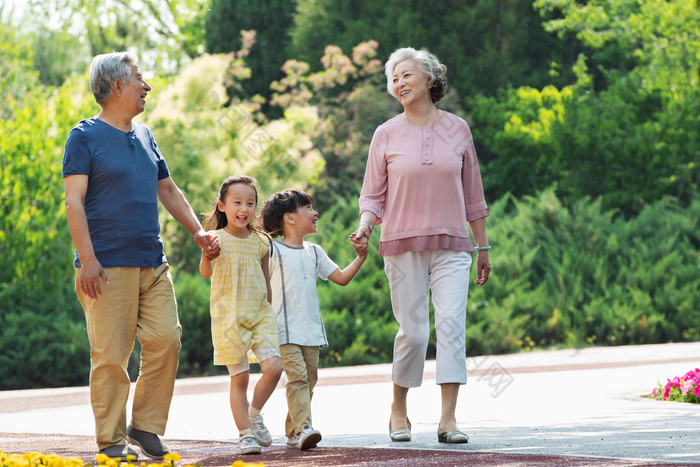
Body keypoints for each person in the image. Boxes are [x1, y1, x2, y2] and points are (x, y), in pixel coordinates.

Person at [62, 52, 218, 461]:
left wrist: (198, 232)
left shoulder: (146, 134)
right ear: (117, 86)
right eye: (139, 78)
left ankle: (144, 425)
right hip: (105, 267)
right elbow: (73, 203)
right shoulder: (84, 137)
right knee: (112, 359)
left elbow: (167, 189)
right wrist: (88, 260)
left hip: (152, 260)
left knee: (167, 340)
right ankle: (111, 442)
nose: (146, 86)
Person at [352, 47, 491, 444]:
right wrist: (364, 227)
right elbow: (372, 196)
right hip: (400, 245)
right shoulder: (386, 133)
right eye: (394, 79)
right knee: (413, 333)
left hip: (452, 246)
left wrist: (482, 248)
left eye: (406, 75)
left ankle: (448, 420)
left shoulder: (458, 129)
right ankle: (399, 408)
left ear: (429, 79)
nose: (399, 83)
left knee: (451, 326)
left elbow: (473, 195)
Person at [261, 189, 368, 450]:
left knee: (309, 381)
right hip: (283, 330)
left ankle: (293, 431)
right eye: (307, 208)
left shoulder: (315, 251)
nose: (315, 212)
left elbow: (341, 278)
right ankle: (305, 427)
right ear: (289, 218)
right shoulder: (271, 250)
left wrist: (361, 257)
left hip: (311, 331)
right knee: (297, 378)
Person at [199, 175, 283, 456]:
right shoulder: (215, 239)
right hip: (229, 317)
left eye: (250, 203)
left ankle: (254, 414)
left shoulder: (261, 241)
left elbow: (265, 279)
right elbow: (205, 273)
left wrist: (269, 306)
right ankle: (245, 434)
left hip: (260, 314)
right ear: (222, 206)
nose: (244, 208)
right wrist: (206, 256)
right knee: (241, 378)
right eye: (237, 202)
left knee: (274, 368)